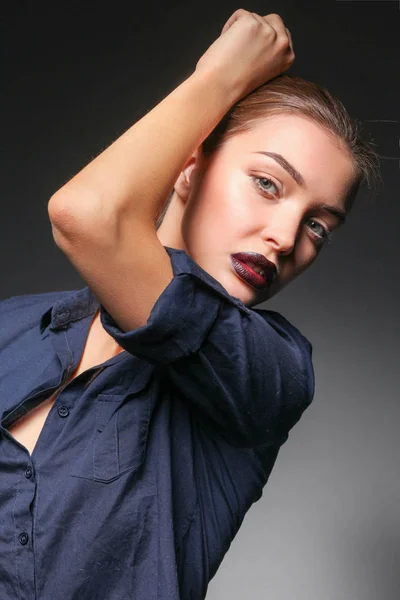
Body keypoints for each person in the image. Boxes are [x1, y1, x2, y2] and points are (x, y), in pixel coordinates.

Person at [0, 9, 379, 600]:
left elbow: (89, 218)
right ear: (188, 165)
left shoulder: (271, 373)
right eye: (268, 184)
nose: (285, 236)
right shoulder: (12, 326)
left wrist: (221, 73)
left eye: (318, 227)